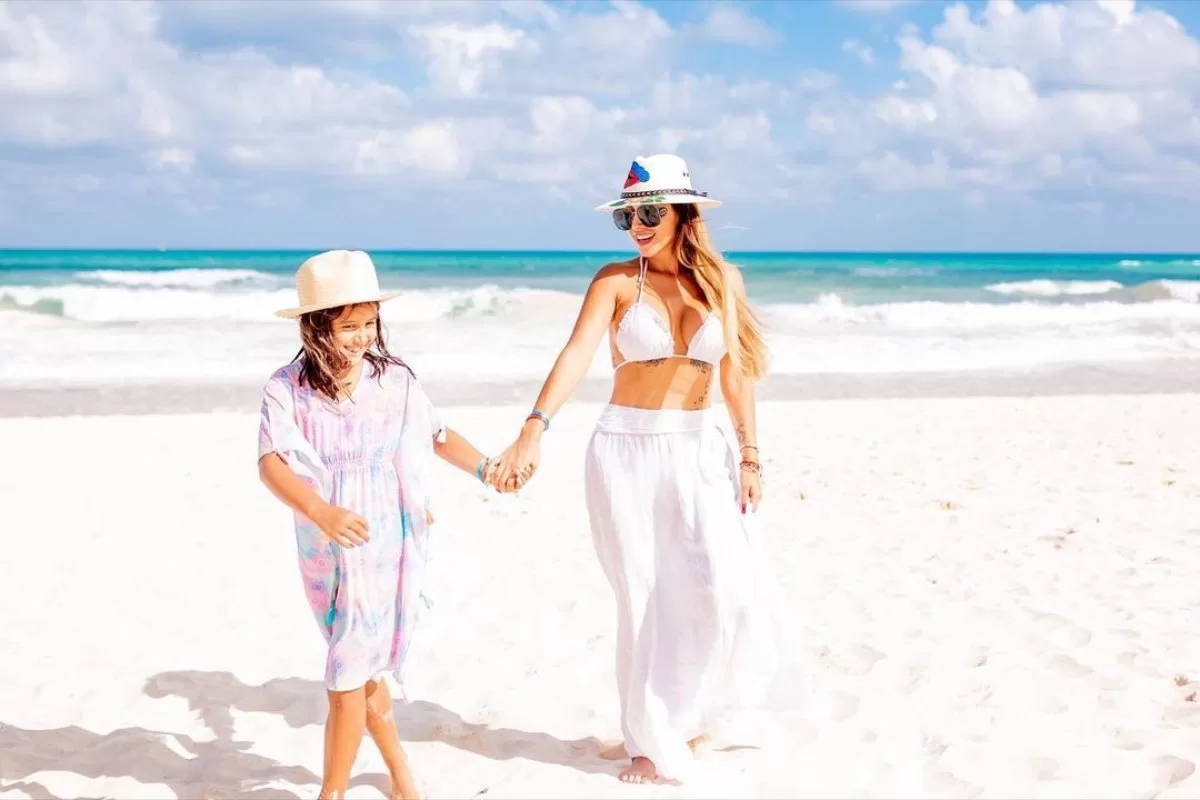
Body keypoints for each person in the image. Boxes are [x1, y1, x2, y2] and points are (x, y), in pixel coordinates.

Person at [492, 154, 780, 784]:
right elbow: (575, 354)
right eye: (627, 216)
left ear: (682, 214)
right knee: (645, 598)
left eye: (650, 212)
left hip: (702, 447)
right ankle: (648, 740)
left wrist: (751, 454)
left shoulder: (724, 281)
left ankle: (692, 713)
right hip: (626, 450)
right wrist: (533, 429)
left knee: (723, 589)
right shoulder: (616, 281)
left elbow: (735, 375)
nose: (638, 226)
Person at [256, 250, 507, 800]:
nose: (362, 337)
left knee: (346, 671)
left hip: (382, 537)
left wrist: (487, 469)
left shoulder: (394, 380)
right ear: (316, 325)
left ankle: (332, 793)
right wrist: (320, 511)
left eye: (369, 323)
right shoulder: (286, 387)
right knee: (362, 665)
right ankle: (401, 778)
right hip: (322, 540)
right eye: (349, 326)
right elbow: (271, 463)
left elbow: (436, 435)